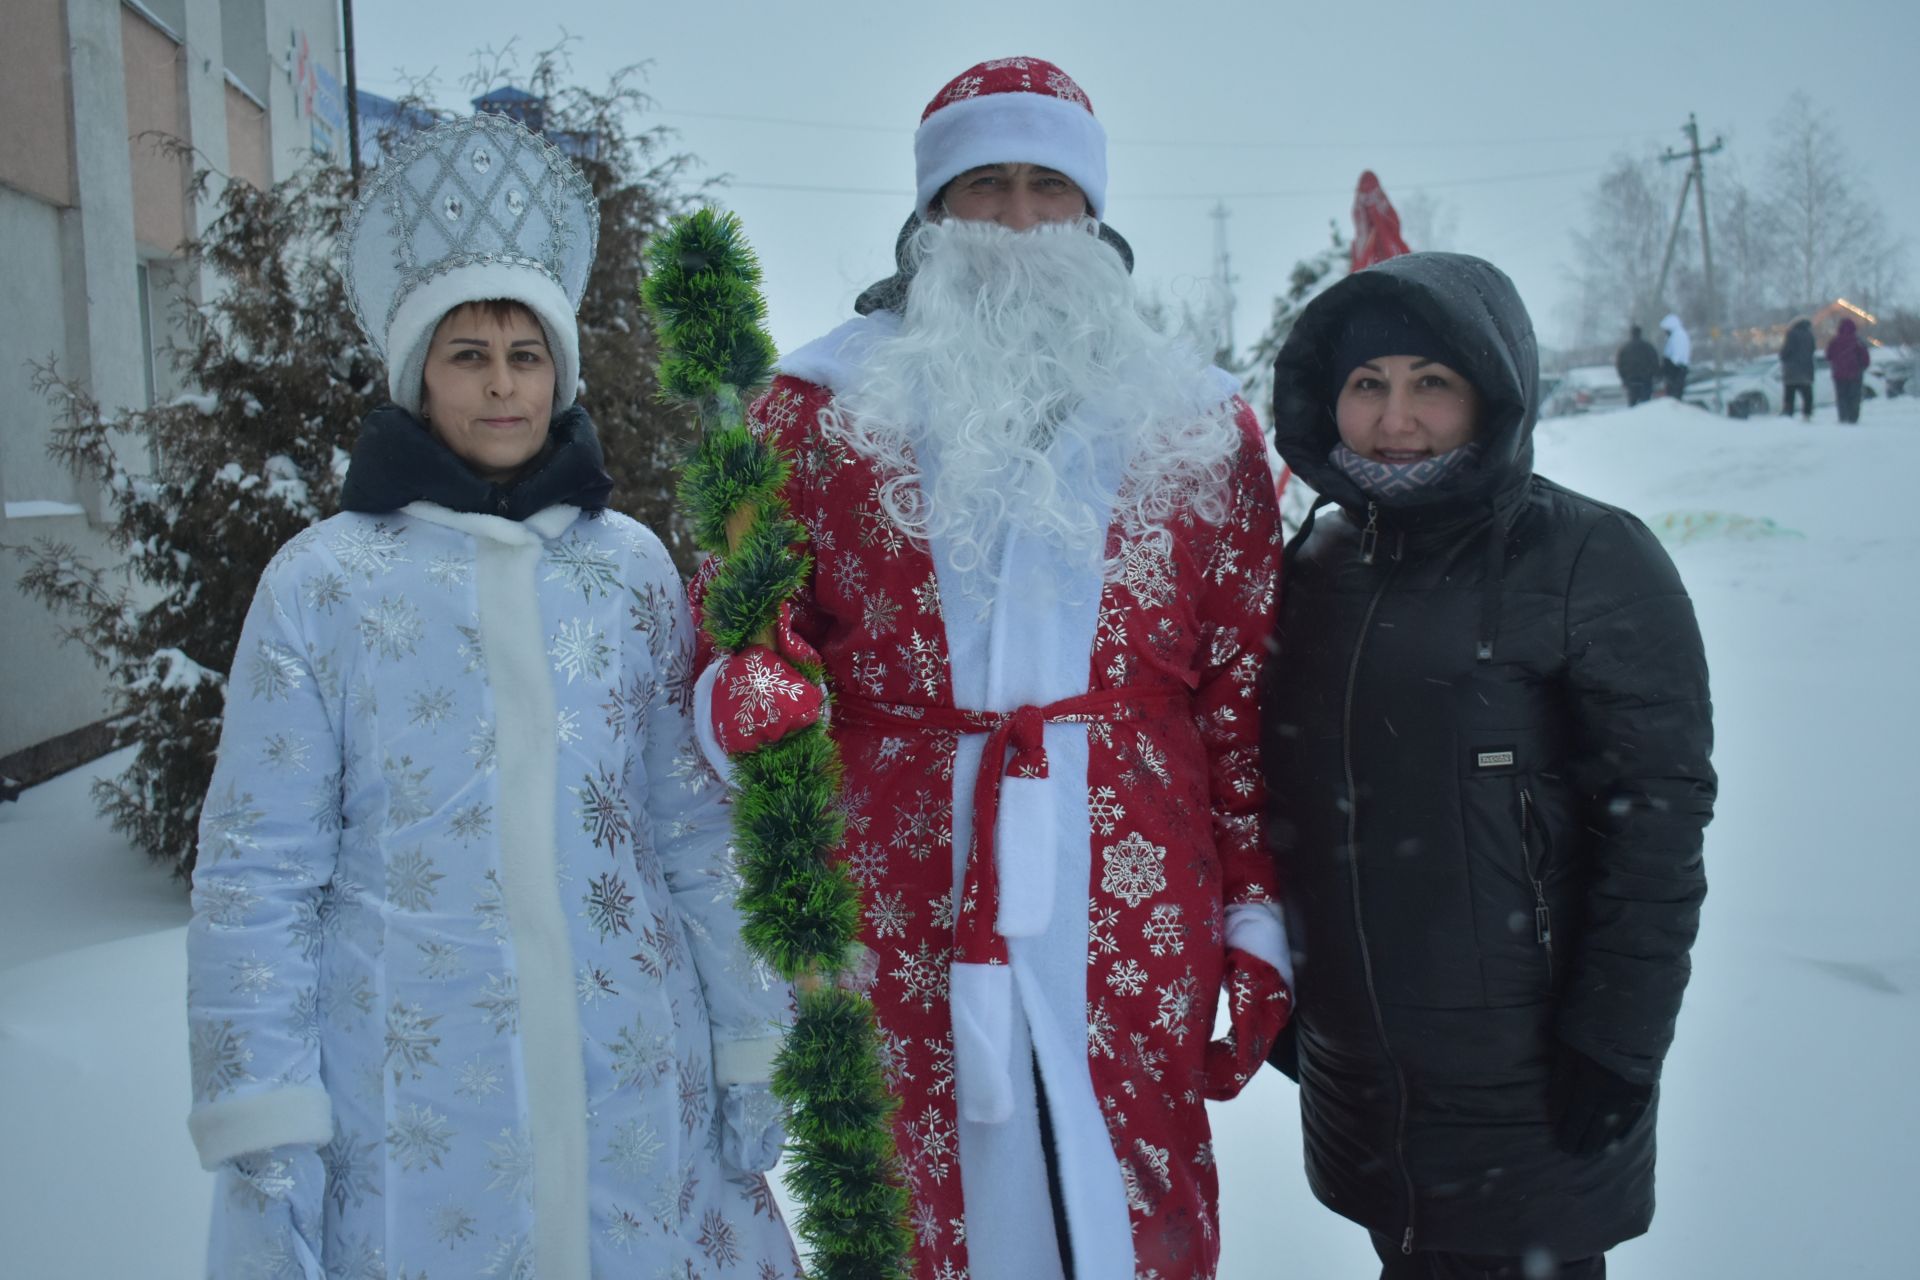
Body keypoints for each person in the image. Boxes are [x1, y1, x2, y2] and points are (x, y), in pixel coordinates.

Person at [690, 56, 1292, 1280]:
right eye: (984, 187)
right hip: (899, 882)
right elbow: (739, 634)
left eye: (1046, 189)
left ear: (1093, 213)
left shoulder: (1197, 418)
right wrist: (756, 701)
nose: (1018, 221)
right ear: (929, 215)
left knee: (1133, 1171)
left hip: (1135, 885)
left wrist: (1257, 908)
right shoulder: (813, 407)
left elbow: (1246, 689)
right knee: (918, 1184)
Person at [184, 114, 799, 1279]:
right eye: (469, 354)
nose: (504, 384)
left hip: (633, 1069)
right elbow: (257, 871)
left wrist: (749, 1029)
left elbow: (688, 825)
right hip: (418, 1085)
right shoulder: (327, 582)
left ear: (560, 370)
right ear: (421, 373)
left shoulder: (629, 568)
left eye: (528, 354)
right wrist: (259, 1121)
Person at [1264, 252, 1715, 1279]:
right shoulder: (1317, 560)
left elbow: (1658, 817)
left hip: (1529, 1069)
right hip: (1366, 1064)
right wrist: (1296, 990)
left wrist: (1617, 1035)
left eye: (1433, 382)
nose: (1396, 417)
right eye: (1368, 383)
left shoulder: (1589, 559)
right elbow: (1291, 797)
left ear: (1495, 390)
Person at [1827, 315, 1871, 423]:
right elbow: (1865, 358)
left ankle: (1843, 417)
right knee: (1854, 396)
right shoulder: (1857, 341)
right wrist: (1861, 367)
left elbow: (1828, 355)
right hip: (1855, 374)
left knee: (1841, 396)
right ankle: (1853, 417)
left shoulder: (1835, 341)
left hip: (1839, 374)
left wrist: (1837, 364)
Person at [1779, 317, 1816, 420]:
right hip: (1806, 369)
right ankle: (1807, 413)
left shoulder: (1791, 334)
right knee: (1807, 393)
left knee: (1790, 393)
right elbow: (1812, 350)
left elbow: (1786, 351)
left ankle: (1788, 413)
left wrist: (1783, 357)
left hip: (1792, 370)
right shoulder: (1809, 335)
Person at [1613, 323, 1659, 406]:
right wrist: (1654, 375)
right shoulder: (1648, 347)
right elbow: (1655, 362)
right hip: (1646, 380)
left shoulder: (1625, 348)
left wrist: (1624, 379)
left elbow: (1619, 365)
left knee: (1633, 405)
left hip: (1631, 381)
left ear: (1631, 333)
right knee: (1646, 405)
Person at [1658, 312, 1691, 399]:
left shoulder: (1678, 336)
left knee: (1674, 394)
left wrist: (1668, 365)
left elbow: (1676, 356)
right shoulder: (1676, 335)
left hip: (1676, 370)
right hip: (1676, 369)